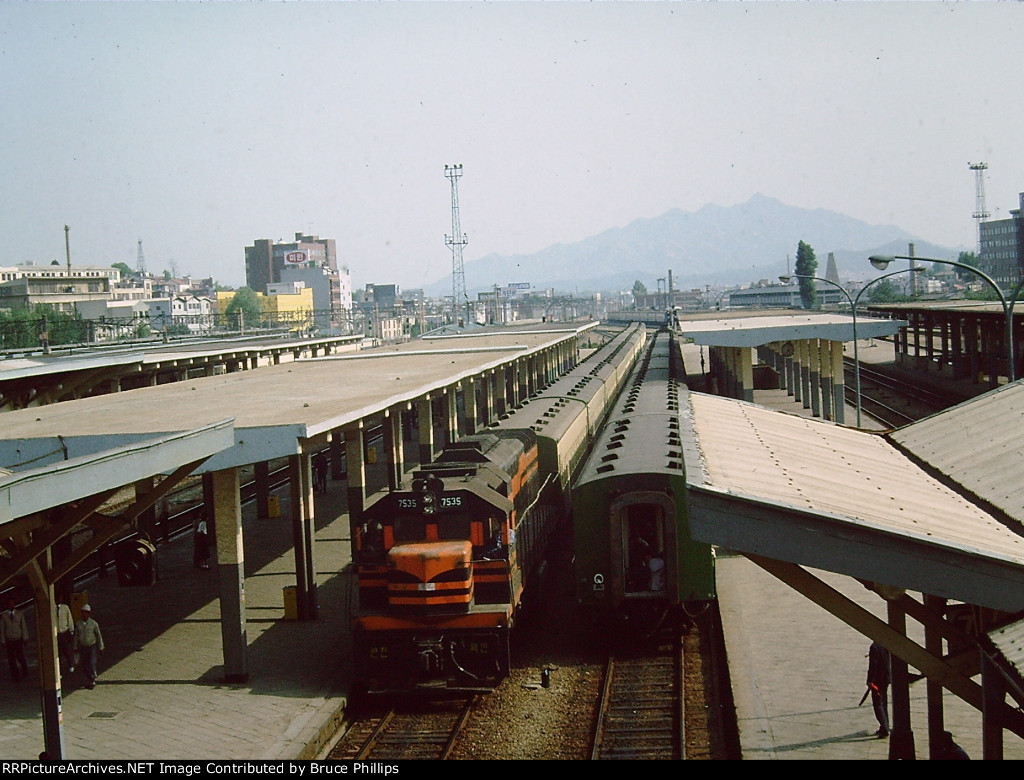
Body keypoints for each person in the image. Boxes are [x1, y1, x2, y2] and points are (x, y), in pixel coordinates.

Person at [74, 603, 104, 689]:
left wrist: (101, 647)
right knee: (84, 664)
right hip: (83, 646)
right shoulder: (79, 624)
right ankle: (89, 679)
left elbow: (99, 635)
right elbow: (76, 636)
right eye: (83, 612)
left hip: (92, 646)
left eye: (86, 612)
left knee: (91, 662)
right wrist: (75, 647)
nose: (84, 614)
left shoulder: (94, 624)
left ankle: (92, 679)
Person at [866, 641, 891, 738]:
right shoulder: (885, 644)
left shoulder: (874, 647)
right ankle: (884, 726)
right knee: (883, 703)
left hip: (877, 681)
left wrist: (870, 681)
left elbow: (873, 665)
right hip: (886, 678)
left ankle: (884, 728)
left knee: (878, 705)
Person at [1, 598, 30, 681]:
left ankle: (25, 671)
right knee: (11, 658)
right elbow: (2, 629)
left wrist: (25, 637)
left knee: (20, 656)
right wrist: (3, 641)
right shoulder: (4, 615)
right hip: (9, 639)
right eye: (9, 604)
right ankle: (15, 675)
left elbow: (23, 626)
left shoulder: (19, 614)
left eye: (12, 603)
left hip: (18, 638)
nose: (11, 605)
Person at [56, 597, 76, 675]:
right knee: (58, 653)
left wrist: (71, 630)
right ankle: (59, 670)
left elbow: (69, 618)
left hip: (64, 632)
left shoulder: (65, 608)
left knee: (67, 650)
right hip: (57, 633)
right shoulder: (53, 608)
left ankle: (71, 664)